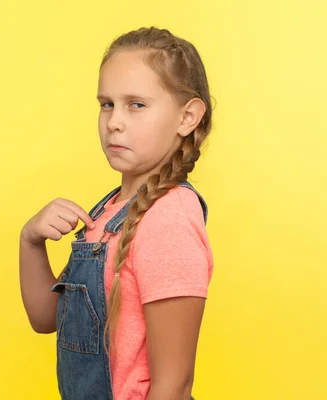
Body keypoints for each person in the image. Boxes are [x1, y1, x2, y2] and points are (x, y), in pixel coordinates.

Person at [19, 26, 214, 400]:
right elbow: (46, 319)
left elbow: (173, 387)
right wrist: (30, 241)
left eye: (136, 104)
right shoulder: (107, 215)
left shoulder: (168, 219)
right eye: (106, 104)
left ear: (187, 117)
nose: (114, 122)